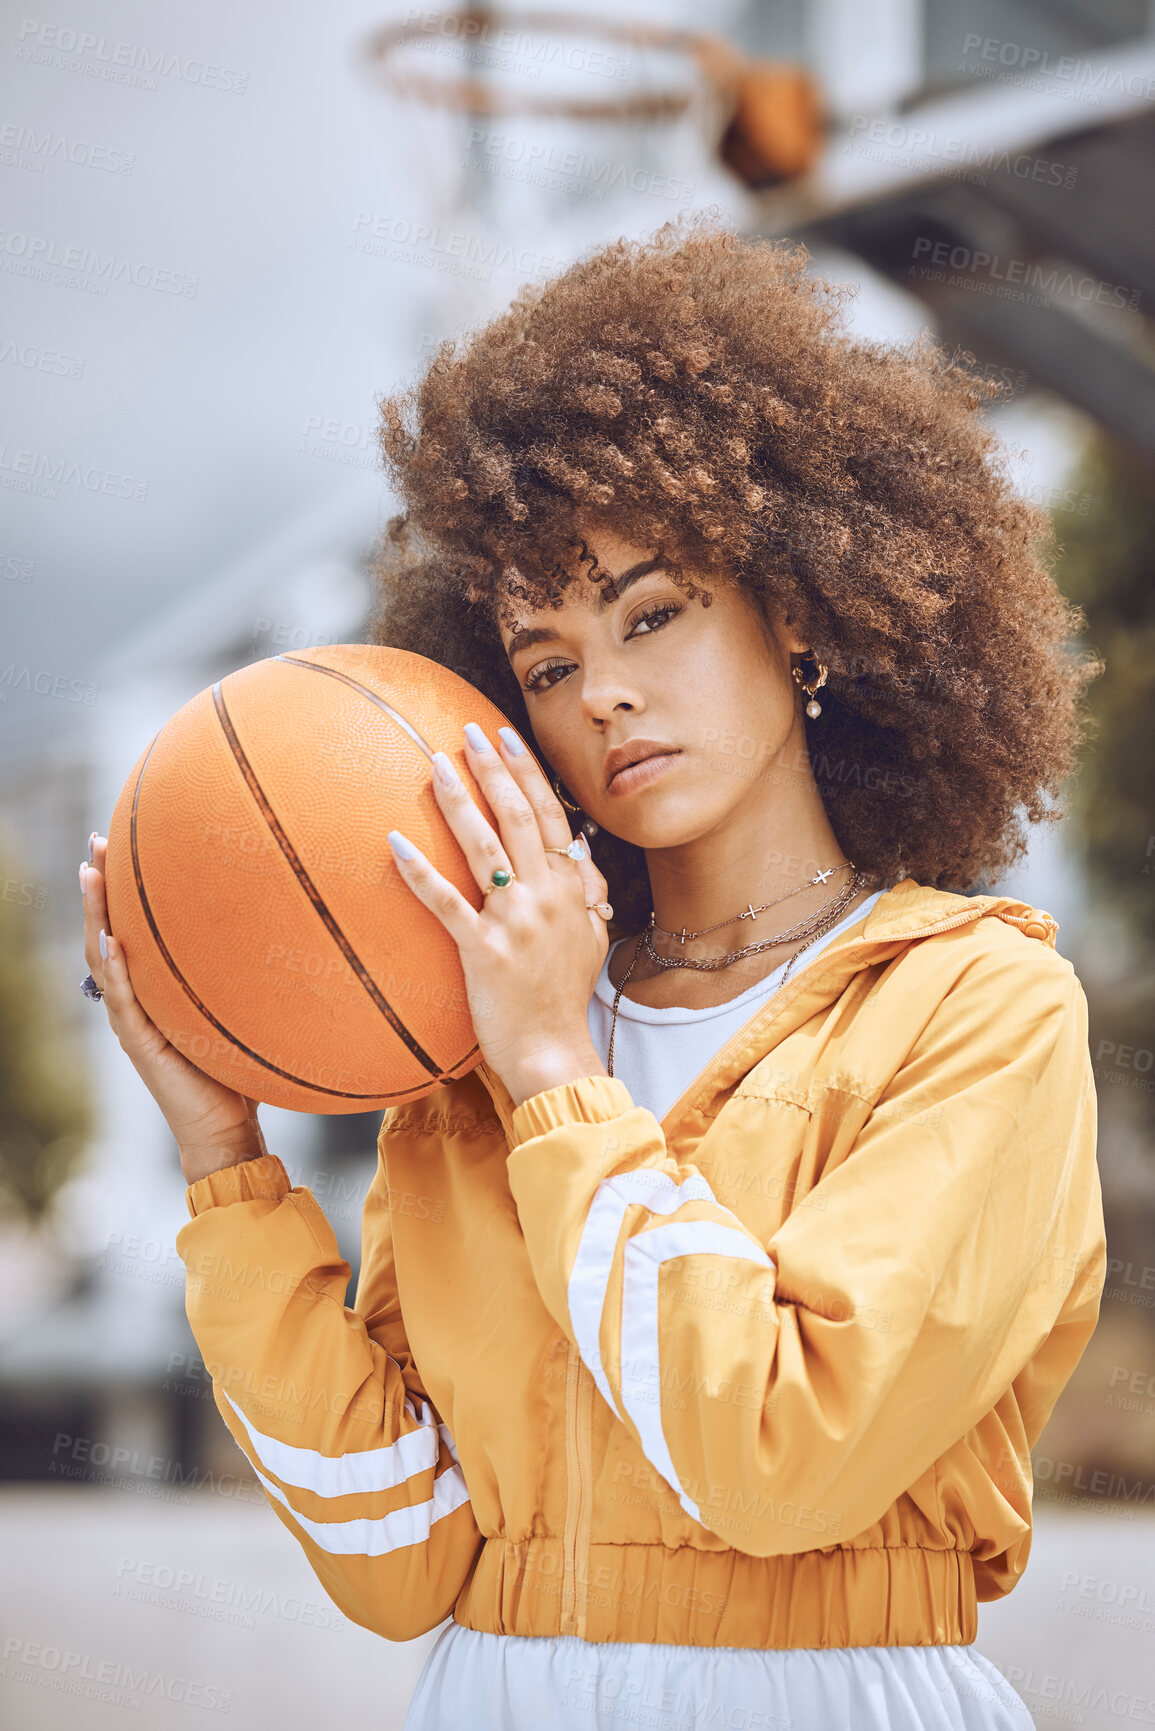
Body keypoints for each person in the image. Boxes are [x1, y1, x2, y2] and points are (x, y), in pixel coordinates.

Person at [79, 213, 1107, 1730]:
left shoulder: (974, 1008)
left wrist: (559, 1077)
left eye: (654, 612)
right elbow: (394, 1559)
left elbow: (783, 1456)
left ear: (801, 610)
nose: (606, 690)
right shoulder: (469, 1050)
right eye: (548, 663)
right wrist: (227, 1164)